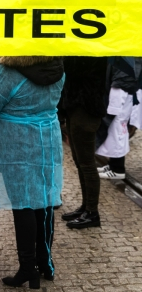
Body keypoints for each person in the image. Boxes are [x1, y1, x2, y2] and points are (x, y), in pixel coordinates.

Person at [0, 56, 64, 289]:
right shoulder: (56, 64)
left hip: (17, 143)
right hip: (47, 138)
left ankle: (27, 268)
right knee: (44, 200)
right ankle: (45, 263)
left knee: (23, 203)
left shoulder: (7, 71)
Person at [61, 56, 107, 229]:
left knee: (87, 163)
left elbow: (76, 73)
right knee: (80, 161)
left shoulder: (92, 52)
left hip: (86, 108)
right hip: (74, 106)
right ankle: (86, 206)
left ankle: (92, 212)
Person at [96, 59, 138, 180]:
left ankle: (118, 169)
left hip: (120, 103)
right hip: (122, 101)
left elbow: (121, 84)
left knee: (117, 135)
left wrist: (113, 108)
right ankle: (113, 165)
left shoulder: (125, 60)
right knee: (116, 134)